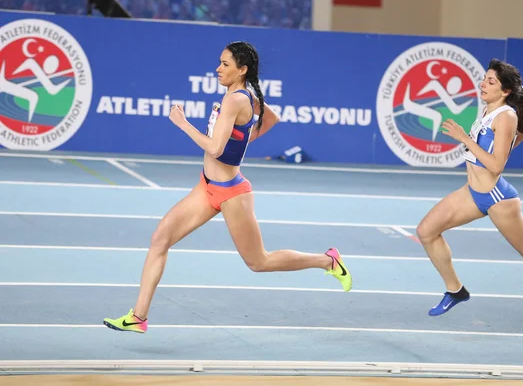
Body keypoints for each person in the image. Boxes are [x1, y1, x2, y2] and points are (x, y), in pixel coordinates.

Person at [103, 41, 352, 333]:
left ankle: (328, 261)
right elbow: (269, 119)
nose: (217, 69)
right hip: (206, 186)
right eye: (219, 62)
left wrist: (183, 123)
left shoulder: (236, 100)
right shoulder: (236, 93)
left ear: (242, 70)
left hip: (232, 193)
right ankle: (138, 317)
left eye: (225, 65)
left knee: (259, 262)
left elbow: (216, 148)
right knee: (160, 239)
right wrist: (242, 142)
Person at [416, 58, 523, 344]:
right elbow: (513, 140)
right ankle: (455, 290)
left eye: (491, 81)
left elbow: (496, 167)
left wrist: (464, 138)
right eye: (484, 79)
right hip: (472, 193)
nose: (483, 84)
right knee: (426, 231)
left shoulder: (505, 116)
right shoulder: (489, 110)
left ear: (506, 91)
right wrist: (498, 145)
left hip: (497, 198)